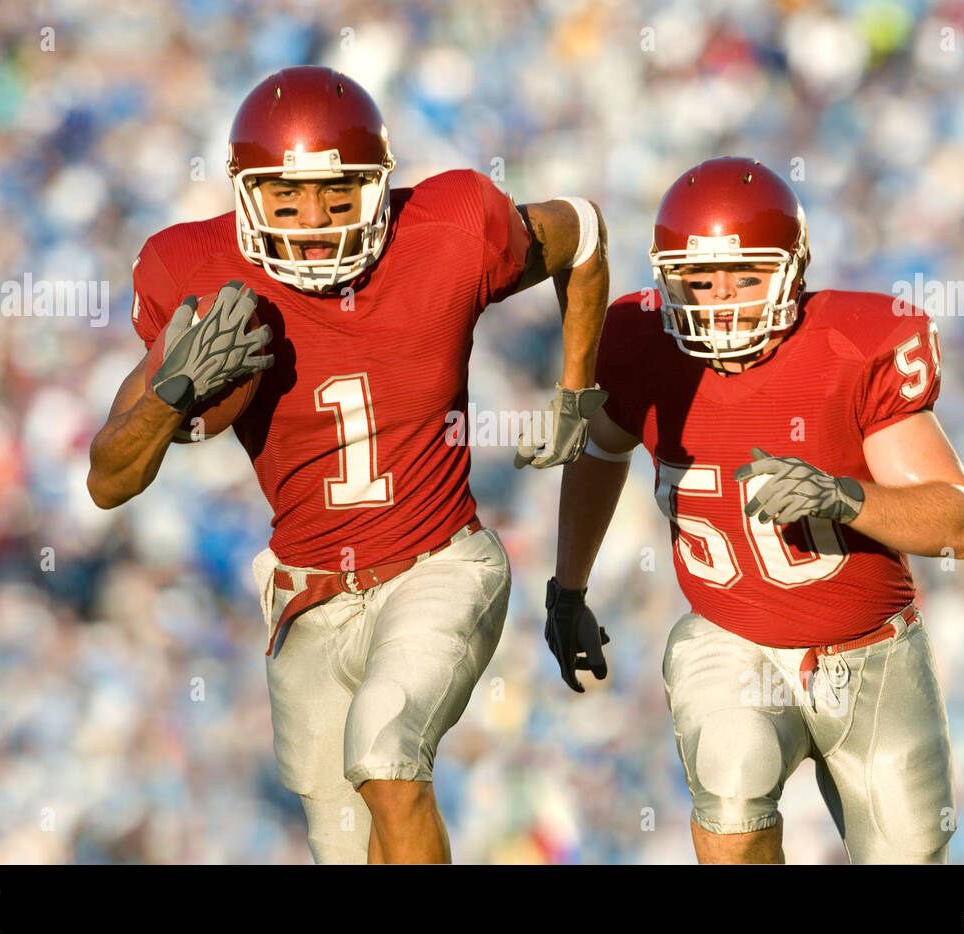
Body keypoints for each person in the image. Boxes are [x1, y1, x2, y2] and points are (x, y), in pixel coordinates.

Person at [86, 66, 609, 864]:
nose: (313, 219)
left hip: (440, 562)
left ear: (379, 185)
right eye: (287, 197)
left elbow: (585, 232)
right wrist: (170, 393)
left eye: (337, 193)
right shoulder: (195, 270)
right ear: (243, 192)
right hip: (310, 596)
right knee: (344, 842)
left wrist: (578, 394)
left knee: (386, 752)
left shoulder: (447, 226)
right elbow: (108, 479)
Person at [545, 157, 964, 864]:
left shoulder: (853, 346)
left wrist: (845, 497)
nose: (719, 301)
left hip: (872, 651)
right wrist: (568, 588)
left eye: (744, 278)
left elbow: (957, 525)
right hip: (731, 639)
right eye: (699, 279)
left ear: (792, 271)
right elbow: (602, 453)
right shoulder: (637, 343)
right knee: (732, 773)